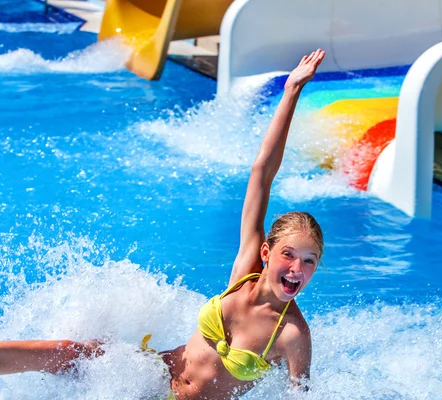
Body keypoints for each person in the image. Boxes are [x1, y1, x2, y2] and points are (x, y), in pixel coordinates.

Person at [0, 49, 326, 399]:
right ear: (266, 251)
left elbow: (300, 396)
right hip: (146, 376)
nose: (297, 268)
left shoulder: (292, 334)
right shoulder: (244, 274)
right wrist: (291, 91)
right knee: (70, 352)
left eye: (309, 260)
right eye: (289, 254)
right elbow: (262, 172)